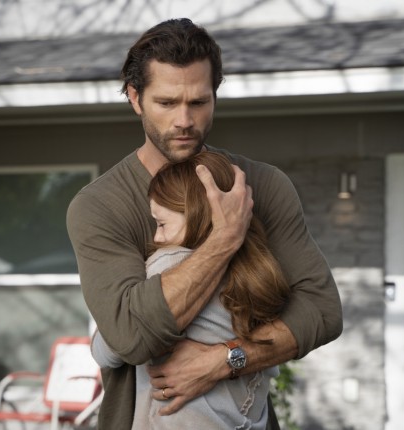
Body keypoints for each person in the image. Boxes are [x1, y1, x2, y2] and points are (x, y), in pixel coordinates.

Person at [66, 17, 343, 430]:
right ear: (135, 98)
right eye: (166, 103)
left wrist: (226, 359)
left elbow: (322, 311)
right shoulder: (101, 206)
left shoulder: (262, 185)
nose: (184, 120)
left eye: (198, 102)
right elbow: (130, 336)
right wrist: (225, 238)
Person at [91, 151, 292, 429]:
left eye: (162, 224)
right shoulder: (258, 274)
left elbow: (109, 349)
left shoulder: (168, 264)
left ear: (196, 214)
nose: (157, 237)